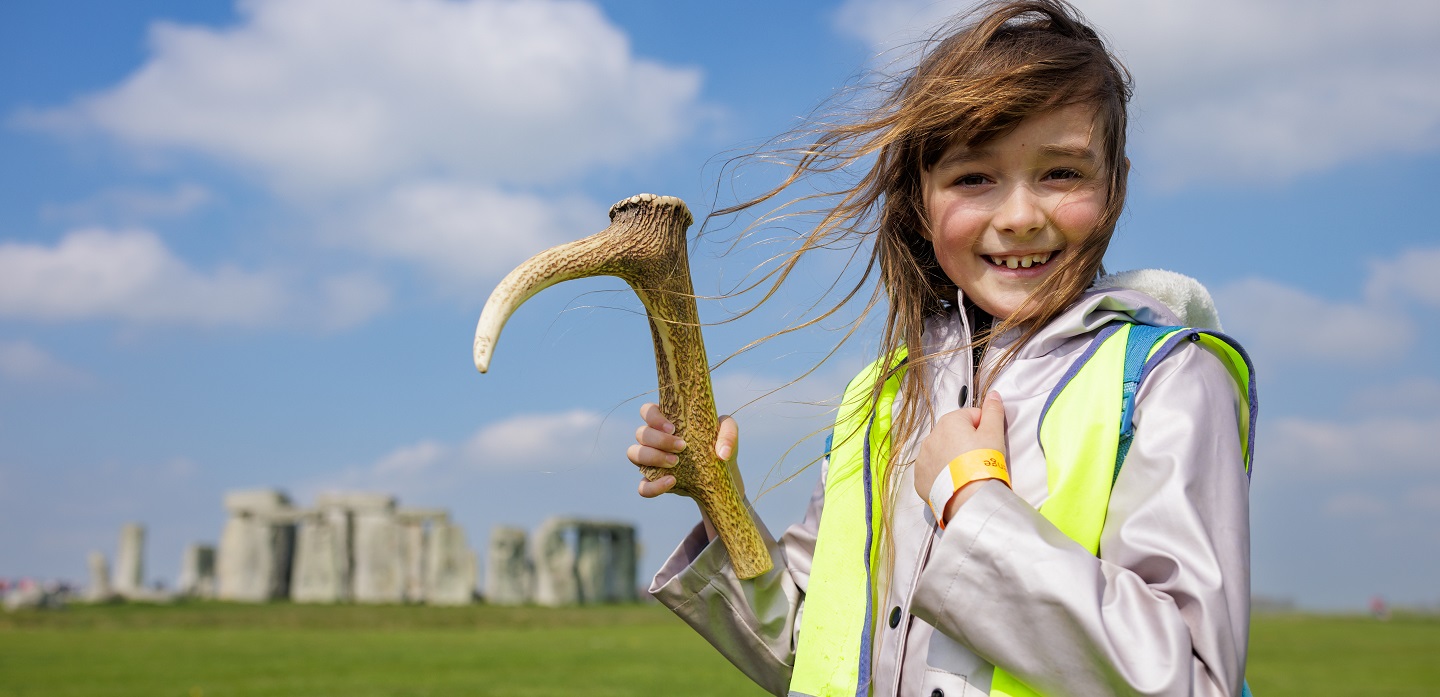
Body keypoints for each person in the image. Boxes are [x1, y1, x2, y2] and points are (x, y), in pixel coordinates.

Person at [626, 1, 1256, 695]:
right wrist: (722, 501)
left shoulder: (1167, 382)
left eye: (1063, 173)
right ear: (921, 200)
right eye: (973, 178)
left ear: (1116, 185)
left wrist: (973, 501)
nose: (1020, 217)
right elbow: (822, 650)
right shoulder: (883, 395)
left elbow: (1194, 681)